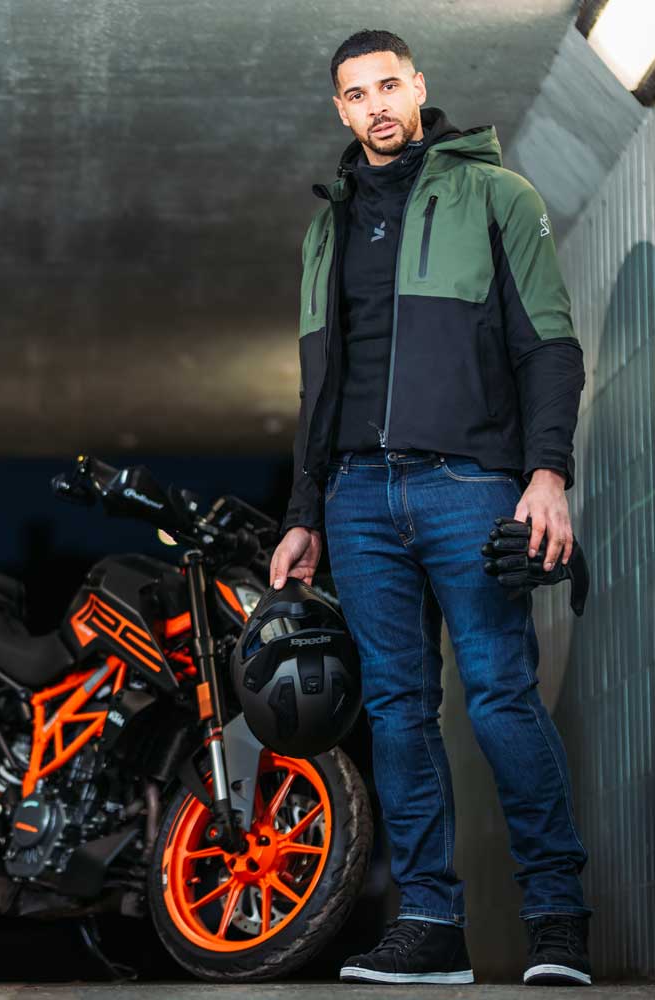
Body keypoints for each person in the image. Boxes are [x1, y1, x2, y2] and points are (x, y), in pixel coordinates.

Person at [269, 29, 593, 987]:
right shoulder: (326, 228)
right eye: (355, 93)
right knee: (400, 714)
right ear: (338, 108)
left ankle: (558, 922)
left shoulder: (496, 194)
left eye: (388, 86)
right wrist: (304, 511)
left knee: (497, 697)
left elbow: (550, 347)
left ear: (418, 88)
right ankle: (428, 924)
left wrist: (547, 475)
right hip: (357, 498)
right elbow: (318, 387)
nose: (374, 105)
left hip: (470, 485)